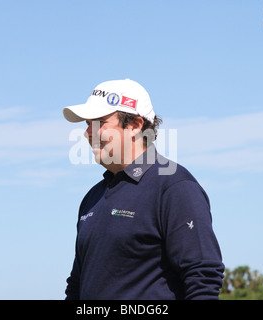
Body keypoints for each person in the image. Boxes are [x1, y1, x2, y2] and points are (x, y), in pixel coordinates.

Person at [62, 79, 224, 300]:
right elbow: (76, 286)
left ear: (135, 125)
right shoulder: (92, 198)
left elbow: (202, 280)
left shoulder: (175, 188)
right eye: (87, 124)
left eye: (99, 122)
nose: (88, 133)